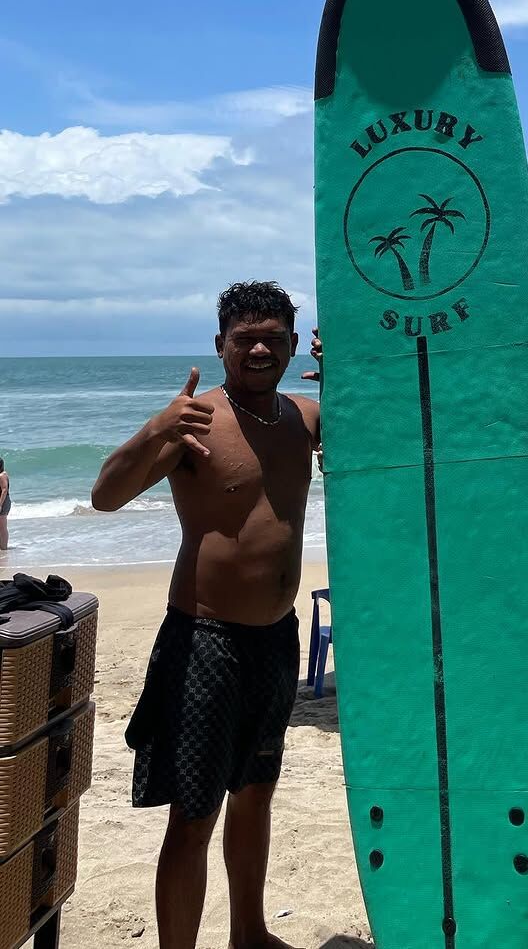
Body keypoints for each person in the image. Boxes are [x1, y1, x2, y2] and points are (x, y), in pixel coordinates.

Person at [91, 281, 319, 949]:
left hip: (277, 638)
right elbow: (105, 495)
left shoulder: (304, 418)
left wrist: (351, 368)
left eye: (272, 338)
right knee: (194, 814)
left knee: (256, 792)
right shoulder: (194, 423)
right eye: (243, 337)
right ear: (219, 344)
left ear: (293, 345)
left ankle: (248, 932)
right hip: (205, 640)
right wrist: (156, 429)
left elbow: (389, 426)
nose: (257, 348)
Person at [0, 458, 9, 550]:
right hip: (4, 501)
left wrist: (0, 504)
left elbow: (4, 489)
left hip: (3, 502)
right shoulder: (4, 474)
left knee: (2, 526)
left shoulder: (2, 475)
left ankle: (4, 548)